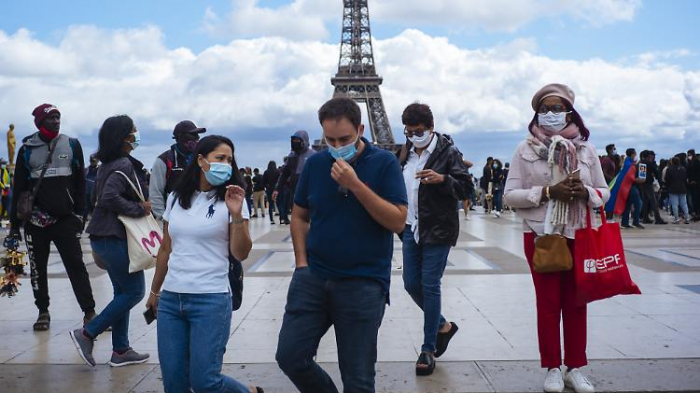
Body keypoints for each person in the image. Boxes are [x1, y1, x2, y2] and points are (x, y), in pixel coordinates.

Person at [275, 97, 407, 393]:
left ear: (361, 129)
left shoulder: (384, 163)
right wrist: (301, 264)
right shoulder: (316, 164)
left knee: (358, 378)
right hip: (313, 277)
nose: (337, 145)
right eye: (330, 139)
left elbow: (398, 221)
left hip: (363, 282)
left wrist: (356, 184)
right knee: (290, 356)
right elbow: (299, 215)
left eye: (344, 139)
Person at [504, 84, 608, 393]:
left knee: (577, 304)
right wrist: (548, 192)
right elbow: (510, 195)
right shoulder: (524, 150)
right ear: (536, 113)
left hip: (579, 233)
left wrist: (586, 192)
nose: (550, 114)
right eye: (544, 109)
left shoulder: (587, 150)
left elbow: (605, 191)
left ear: (569, 111)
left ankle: (575, 367)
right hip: (541, 235)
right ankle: (551, 366)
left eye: (556, 108)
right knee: (548, 304)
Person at [145, 135, 263, 393]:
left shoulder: (233, 199)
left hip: (211, 299)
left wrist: (236, 216)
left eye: (229, 160)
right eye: (219, 158)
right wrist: (155, 292)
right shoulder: (176, 197)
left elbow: (240, 253)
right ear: (200, 160)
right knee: (175, 384)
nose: (226, 164)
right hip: (172, 300)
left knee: (205, 382)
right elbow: (166, 247)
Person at [69, 115, 150, 367]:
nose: (137, 134)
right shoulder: (123, 164)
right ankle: (87, 333)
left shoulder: (106, 164)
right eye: (134, 131)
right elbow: (108, 197)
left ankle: (121, 350)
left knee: (122, 292)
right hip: (113, 237)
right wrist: (139, 208)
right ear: (124, 137)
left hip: (102, 237)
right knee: (135, 292)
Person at [396, 103, 471, 375]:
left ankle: (428, 349)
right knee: (410, 283)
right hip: (409, 228)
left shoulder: (448, 152)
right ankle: (443, 325)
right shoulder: (403, 154)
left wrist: (442, 179)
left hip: (438, 228)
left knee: (429, 285)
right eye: (409, 131)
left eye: (419, 131)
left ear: (431, 127)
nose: (414, 135)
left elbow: (466, 188)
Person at [7, 104, 95, 331]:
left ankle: (89, 312)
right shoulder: (27, 148)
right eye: (51, 118)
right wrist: (15, 226)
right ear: (39, 123)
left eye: (58, 117)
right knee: (38, 269)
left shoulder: (72, 145)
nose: (56, 121)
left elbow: (79, 183)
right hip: (36, 222)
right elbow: (19, 190)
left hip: (65, 219)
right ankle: (43, 311)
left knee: (77, 266)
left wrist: (80, 215)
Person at [149, 120, 206, 220]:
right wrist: (163, 219)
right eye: (193, 134)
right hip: (173, 217)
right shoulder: (164, 160)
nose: (197, 138)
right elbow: (155, 193)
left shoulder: (202, 158)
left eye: (197, 135)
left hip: (200, 215)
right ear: (180, 137)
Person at [272, 130, 316, 225]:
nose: (295, 143)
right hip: (295, 192)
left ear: (304, 141)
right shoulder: (292, 156)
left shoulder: (313, 155)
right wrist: (277, 189)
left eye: (297, 141)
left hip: (310, 192)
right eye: (293, 141)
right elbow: (284, 174)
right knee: (298, 218)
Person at [639, 151, 666, 225]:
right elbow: (656, 171)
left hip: (642, 184)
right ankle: (658, 218)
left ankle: (645, 218)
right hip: (648, 184)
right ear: (648, 156)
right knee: (653, 201)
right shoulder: (649, 163)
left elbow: (642, 175)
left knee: (645, 202)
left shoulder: (641, 163)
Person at [620, 148, 645, 229]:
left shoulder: (628, 162)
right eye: (635, 153)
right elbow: (629, 177)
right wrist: (638, 180)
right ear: (632, 154)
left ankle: (625, 222)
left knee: (628, 204)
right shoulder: (629, 164)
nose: (635, 155)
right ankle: (636, 221)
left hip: (627, 186)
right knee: (638, 203)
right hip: (630, 186)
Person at [664, 157, 691, 224]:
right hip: (682, 188)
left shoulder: (669, 169)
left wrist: (668, 186)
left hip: (673, 189)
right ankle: (687, 218)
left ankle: (676, 219)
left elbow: (666, 179)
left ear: (672, 162)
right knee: (684, 204)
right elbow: (685, 178)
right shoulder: (683, 169)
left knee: (674, 204)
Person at [84, 154, 100, 222]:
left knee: (96, 212)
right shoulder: (86, 170)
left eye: (94, 161)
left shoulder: (101, 170)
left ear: (98, 161)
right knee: (85, 210)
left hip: (96, 194)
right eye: (91, 161)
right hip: (87, 193)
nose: (92, 162)